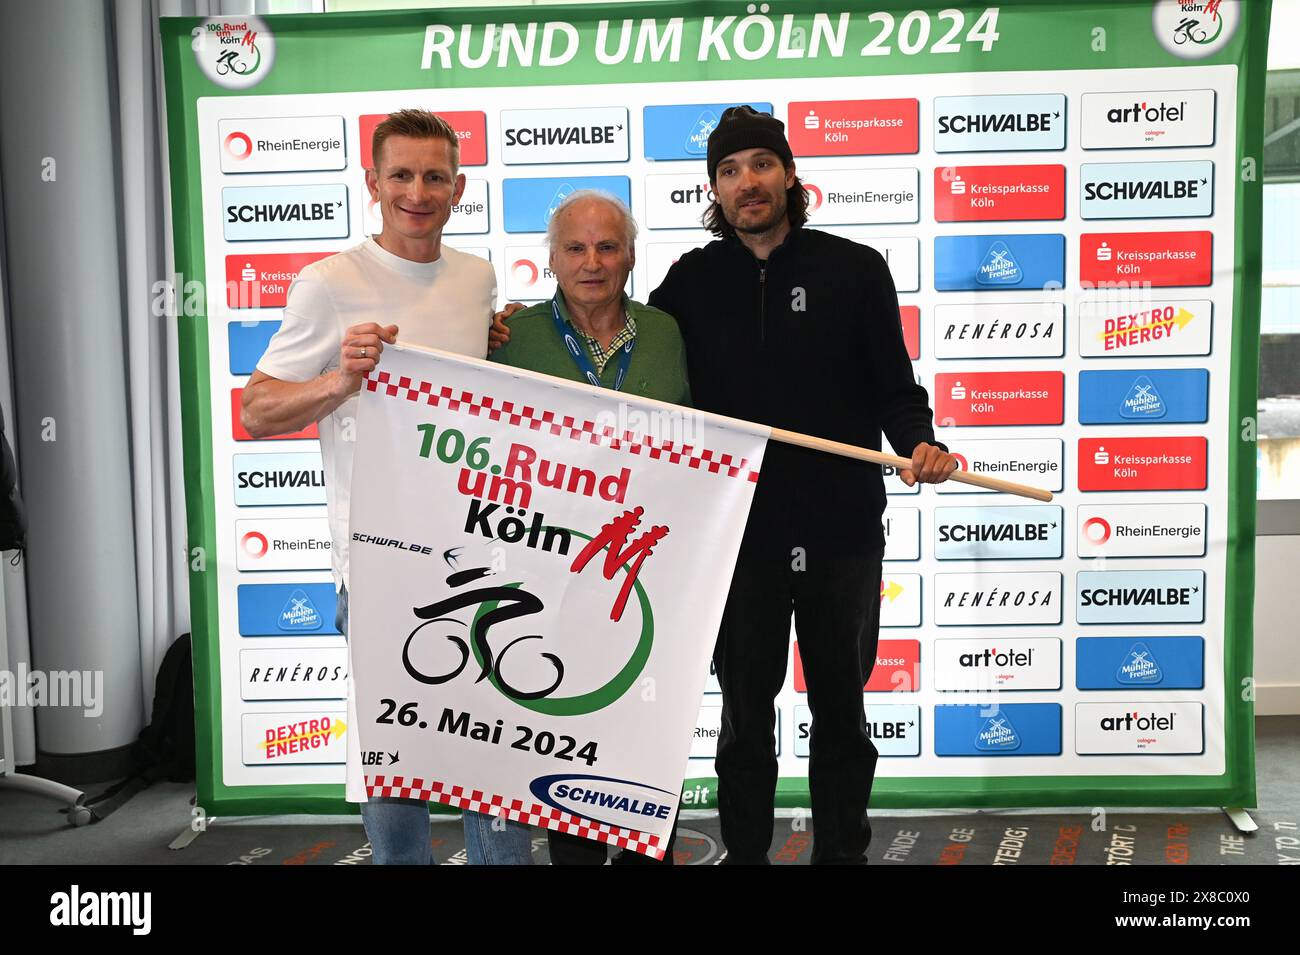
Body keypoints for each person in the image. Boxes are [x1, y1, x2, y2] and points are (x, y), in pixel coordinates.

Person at [491, 106, 956, 864]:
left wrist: (920, 443)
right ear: (714, 187)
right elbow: (616, 332)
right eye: (731, 170)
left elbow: (895, 390)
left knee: (843, 711)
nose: (748, 182)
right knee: (744, 718)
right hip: (737, 542)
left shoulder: (856, 268)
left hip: (841, 535)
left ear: (789, 174)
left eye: (761, 165)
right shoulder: (690, 284)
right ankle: (747, 858)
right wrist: (513, 328)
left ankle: (843, 855)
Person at [240, 108, 533, 865]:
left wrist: (501, 337)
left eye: (435, 175)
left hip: (479, 550)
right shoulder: (329, 283)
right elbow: (256, 409)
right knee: (395, 752)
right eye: (400, 174)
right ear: (372, 183)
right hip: (378, 560)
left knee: (489, 748)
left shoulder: (474, 277)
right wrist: (342, 378)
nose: (418, 191)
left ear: (459, 187)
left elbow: (470, 373)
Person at [490, 189, 689, 864]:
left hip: (651, 585)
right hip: (554, 585)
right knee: (569, 756)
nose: (593, 262)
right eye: (576, 247)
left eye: (608, 246)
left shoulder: (665, 333)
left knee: (646, 761)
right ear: (550, 258)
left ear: (631, 254)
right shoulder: (510, 339)